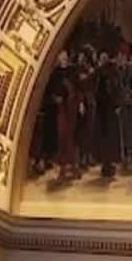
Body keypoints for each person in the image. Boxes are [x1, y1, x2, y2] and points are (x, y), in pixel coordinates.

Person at [46, 49, 80, 183]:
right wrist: (56, 98)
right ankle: (63, 169)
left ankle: (73, 167)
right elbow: (51, 91)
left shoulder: (73, 71)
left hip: (72, 107)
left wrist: (79, 103)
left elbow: (78, 88)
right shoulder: (55, 73)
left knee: (72, 137)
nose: (63, 58)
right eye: (61, 56)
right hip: (61, 109)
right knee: (62, 137)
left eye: (65, 56)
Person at [93, 52, 123, 176]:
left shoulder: (112, 72)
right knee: (104, 137)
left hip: (109, 109)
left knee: (110, 137)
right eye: (102, 58)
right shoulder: (99, 73)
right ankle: (106, 164)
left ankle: (108, 164)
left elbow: (117, 88)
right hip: (102, 110)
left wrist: (118, 104)